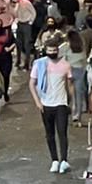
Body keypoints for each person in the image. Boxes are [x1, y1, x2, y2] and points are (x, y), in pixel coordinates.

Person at [30, 40, 75, 173]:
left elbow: (70, 85)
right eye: (49, 50)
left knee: (62, 132)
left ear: (58, 50)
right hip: (46, 104)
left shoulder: (65, 65)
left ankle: (64, 160)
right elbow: (32, 83)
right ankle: (54, 160)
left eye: (54, 50)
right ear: (45, 50)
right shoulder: (39, 64)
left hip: (61, 103)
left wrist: (71, 101)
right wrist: (37, 102)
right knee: (49, 133)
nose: (52, 53)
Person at [63, 29, 90, 127]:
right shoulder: (81, 47)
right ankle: (78, 116)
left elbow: (63, 59)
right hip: (80, 71)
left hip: (69, 70)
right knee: (79, 95)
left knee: (70, 95)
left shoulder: (66, 47)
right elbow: (84, 61)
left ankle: (70, 112)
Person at [13, 0, 37, 70]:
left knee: (27, 44)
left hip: (26, 24)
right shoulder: (17, 4)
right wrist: (16, 20)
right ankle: (18, 60)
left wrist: (30, 22)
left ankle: (27, 62)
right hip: (19, 24)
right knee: (18, 43)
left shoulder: (26, 3)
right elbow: (15, 14)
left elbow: (33, 12)